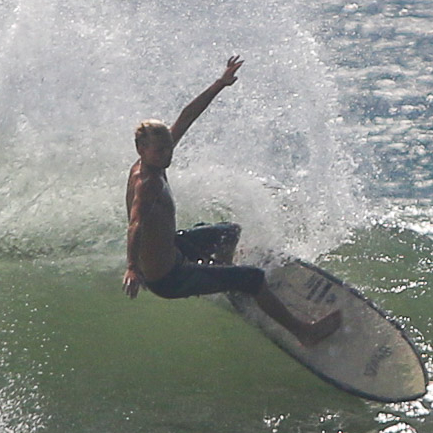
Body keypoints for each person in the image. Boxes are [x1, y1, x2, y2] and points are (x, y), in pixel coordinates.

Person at [122, 56, 341, 347]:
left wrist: (220, 84)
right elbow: (135, 223)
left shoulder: (152, 163)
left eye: (169, 148)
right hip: (168, 277)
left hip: (171, 250)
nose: (167, 155)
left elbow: (187, 116)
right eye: (160, 151)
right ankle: (304, 333)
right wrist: (132, 268)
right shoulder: (146, 183)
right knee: (254, 278)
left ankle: (223, 277)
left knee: (229, 232)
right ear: (142, 149)